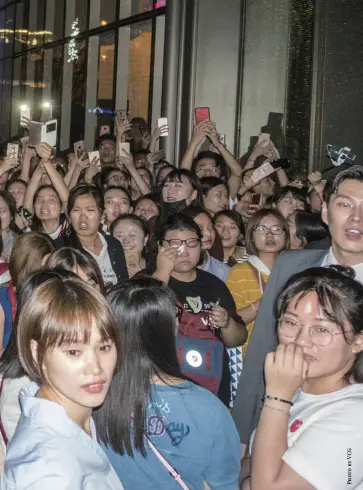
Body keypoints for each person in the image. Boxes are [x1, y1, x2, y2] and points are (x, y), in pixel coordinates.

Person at [232, 165, 363, 447]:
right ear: (326, 212)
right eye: (345, 204)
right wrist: (242, 434)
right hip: (284, 419)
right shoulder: (291, 265)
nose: (357, 217)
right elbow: (261, 349)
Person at [96, 277, 241, 490]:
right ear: (169, 328)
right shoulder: (208, 408)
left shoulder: (93, 397)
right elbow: (224, 484)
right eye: (176, 314)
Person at [243, 266, 363, 490]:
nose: (301, 341)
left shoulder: (356, 415)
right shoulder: (296, 390)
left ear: (358, 341)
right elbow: (252, 460)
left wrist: (277, 398)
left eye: (322, 329)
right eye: (290, 322)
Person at [1, 272, 123, 489]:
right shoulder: (49, 472)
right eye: (74, 352)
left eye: (104, 347)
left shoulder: (71, 411)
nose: (95, 367)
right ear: (36, 352)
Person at [152, 213, 246, 406]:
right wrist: (161, 273)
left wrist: (227, 323)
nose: (184, 252)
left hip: (211, 386)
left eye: (192, 243)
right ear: (161, 247)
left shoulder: (214, 284)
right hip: (163, 386)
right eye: (175, 244)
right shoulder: (148, 281)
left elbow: (238, 338)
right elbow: (143, 325)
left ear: (201, 245)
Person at [227, 209, 289, 408]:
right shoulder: (238, 272)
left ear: (286, 235)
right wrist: (262, 304)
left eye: (276, 229)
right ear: (251, 236)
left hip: (287, 355)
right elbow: (233, 322)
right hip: (250, 358)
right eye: (262, 229)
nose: (269, 235)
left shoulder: (295, 270)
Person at [55, 184, 128, 286]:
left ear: (102, 215)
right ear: (69, 215)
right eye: (76, 210)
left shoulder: (113, 244)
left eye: (90, 210)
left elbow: (124, 284)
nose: (82, 216)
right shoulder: (61, 247)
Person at [182, 206, 229, 282]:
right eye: (200, 228)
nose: (208, 233)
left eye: (210, 227)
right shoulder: (170, 265)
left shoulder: (224, 271)